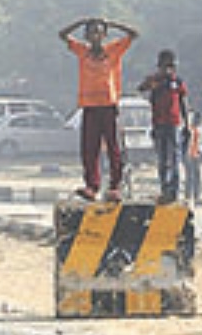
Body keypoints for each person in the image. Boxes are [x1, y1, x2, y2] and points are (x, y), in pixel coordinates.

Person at [60, 17, 138, 202]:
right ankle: (92, 186)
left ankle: (114, 186)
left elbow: (134, 34)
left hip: (108, 105)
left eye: (99, 32)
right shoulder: (82, 51)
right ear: (87, 36)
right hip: (89, 106)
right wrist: (80, 22)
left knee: (113, 147)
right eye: (92, 32)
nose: (95, 36)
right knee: (89, 148)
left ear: (104, 35)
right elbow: (62, 35)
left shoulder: (113, 50)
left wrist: (113, 23)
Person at [137, 49, 190, 204]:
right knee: (162, 159)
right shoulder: (155, 81)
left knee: (174, 158)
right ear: (159, 65)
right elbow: (141, 88)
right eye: (165, 65)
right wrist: (153, 82)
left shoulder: (177, 82)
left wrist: (186, 123)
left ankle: (173, 191)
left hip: (173, 124)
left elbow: (183, 103)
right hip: (158, 124)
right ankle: (164, 189)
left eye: (171, 66)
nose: (168, 69)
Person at [183, 111, 200, 208]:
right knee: (189, 177)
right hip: (188, 155)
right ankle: (187, 197)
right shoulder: (188, 131)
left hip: (196, 155)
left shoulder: (199, 130)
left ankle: (197, 197)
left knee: (196, 177)